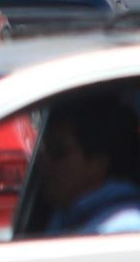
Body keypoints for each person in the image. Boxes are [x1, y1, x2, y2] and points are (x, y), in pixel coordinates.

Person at [34, 92, 140, 235]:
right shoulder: (68, 214)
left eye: (58, 152)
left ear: (98, 162)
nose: (43, 162)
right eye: (44, 151)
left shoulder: (121, 229)